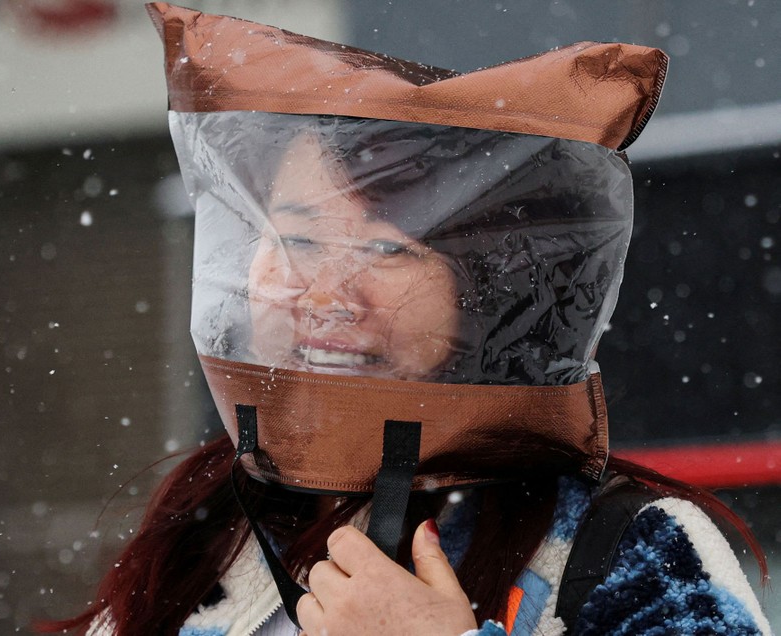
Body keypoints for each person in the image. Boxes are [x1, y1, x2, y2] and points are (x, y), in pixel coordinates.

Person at [39, 6, 773, 635]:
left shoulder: (624, 547)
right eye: (296, 239)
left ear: (488, 290)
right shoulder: (209, 523)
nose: (326, 293)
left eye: (386, 249)